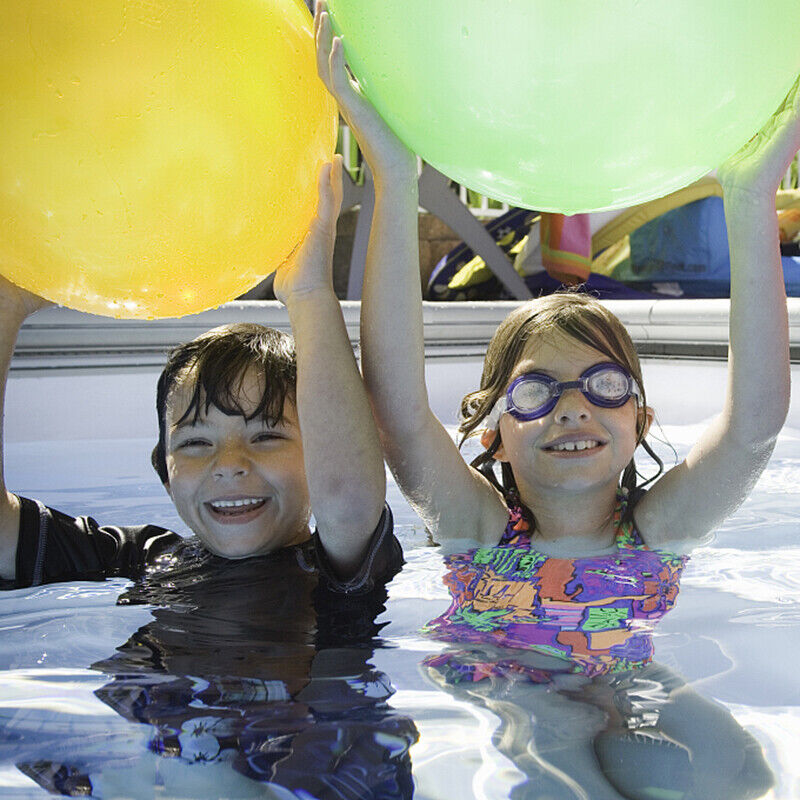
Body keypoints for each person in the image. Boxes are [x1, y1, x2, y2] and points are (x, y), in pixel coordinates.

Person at [314, 3, 797, 797]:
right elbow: (398, 415)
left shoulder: (657, 531)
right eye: (536, 392)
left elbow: (752, 429)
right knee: (556, 729)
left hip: (629, 697)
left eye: (605, 387)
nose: (573, 409)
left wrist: (748, 198)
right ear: (495, 432)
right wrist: (395, 183)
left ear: (641, 421)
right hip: (516, 692)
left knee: (731, 770)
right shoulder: (477, 532)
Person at [0, 157, 401, 593]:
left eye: (267, 436)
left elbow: (347, 498)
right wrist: (6, 306)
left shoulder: (334, 567)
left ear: (317, 457)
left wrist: (309, 293)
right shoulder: (142, 558)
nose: (229, 464)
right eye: (194, 442)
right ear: (165, 475)